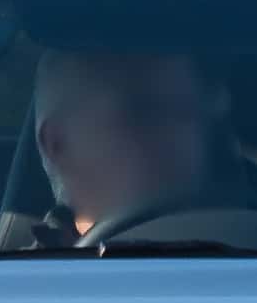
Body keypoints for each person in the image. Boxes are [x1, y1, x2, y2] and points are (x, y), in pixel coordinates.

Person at [25, 46, 224, 240]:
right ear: (59, 144)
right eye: (144, 114)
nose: (182, 137)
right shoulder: (25, 272)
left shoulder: (249, 250)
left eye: (187, 112)